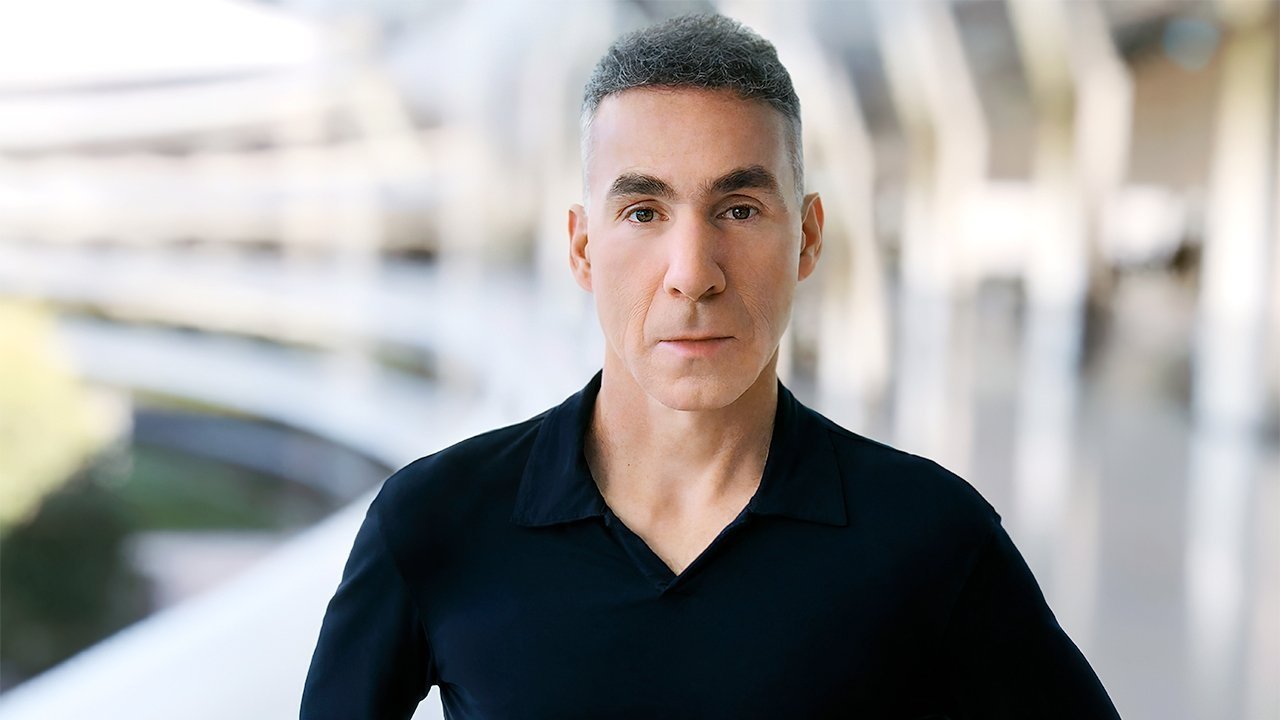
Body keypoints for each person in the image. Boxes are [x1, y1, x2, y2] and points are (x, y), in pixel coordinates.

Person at [301, 13, 1121, 719]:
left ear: (806, 236)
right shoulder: (435, 522)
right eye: (643, 210)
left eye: (737, 209)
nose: (693, 271)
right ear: (584, 247)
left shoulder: (930, 538)